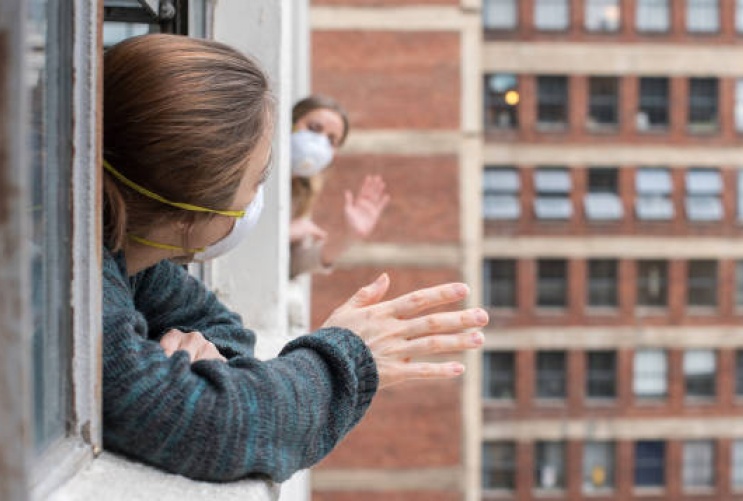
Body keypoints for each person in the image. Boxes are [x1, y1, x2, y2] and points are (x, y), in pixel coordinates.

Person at [102, 34, 487, 483]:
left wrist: (205, 361)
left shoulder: (124, 255)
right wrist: (346, 359)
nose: (258, 199)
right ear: (191, 214)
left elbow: (222, 328)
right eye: (256, 179)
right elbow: (215, 425)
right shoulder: (68, 285)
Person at [289, 95, 390, 278]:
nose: (320, 142)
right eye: (313, 128)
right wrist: (284, 233)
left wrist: (349, 237)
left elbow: (292, 264)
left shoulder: (301, 193)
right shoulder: (252, 166)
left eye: (332, 140)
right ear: (291, 123)